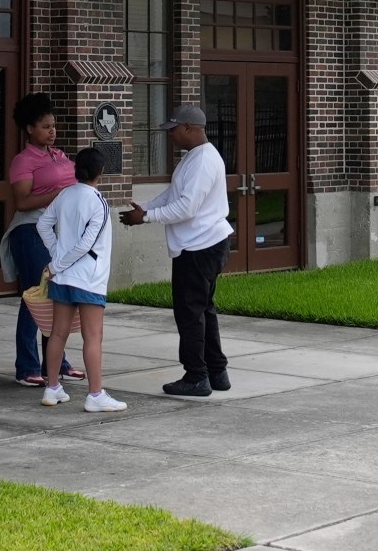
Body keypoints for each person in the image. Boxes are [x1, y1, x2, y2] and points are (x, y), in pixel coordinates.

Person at [121, 103, 234, 398]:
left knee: (190, 313)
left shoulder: (203, 161)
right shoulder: (194, 158)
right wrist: (145, 208)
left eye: (173, 130)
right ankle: (216, 371)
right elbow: (173, 195)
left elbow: (186, 208)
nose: (170, 136)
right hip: (205, 244)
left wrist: (145, 218)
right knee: (204, 310)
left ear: (188, 128)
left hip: (200, 247)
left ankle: (197, 376)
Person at [34, 147, 124, 413]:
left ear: (76, 170)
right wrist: (58, 261)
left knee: (56, 333)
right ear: (101, 172)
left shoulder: (64, 195)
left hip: (62, 277)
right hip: (89, 278)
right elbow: (88, 244)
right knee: (93, 337)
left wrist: (56, 256)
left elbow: (42, 225)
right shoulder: (99, 201)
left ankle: (52, 388)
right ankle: (95, 394)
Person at [4, 94, 83, 387]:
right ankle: (26, 367)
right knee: (35, 296)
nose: (52, 131)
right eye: (44, 126)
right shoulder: (23, 161)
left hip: (59, 234)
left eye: (53, 126)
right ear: (29, 129)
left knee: (58, 296)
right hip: (31, 231)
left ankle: (56, 364)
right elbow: (22, 201)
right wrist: (61, 192)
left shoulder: (58, 155)